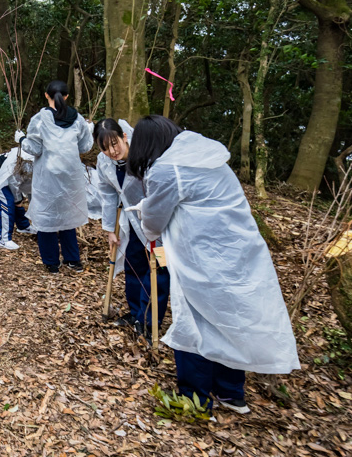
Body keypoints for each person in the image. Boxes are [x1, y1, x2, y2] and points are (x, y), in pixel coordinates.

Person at [127, 115, 299, 414]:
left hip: (202, 257)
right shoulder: (208, 156)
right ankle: (231, 393)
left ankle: (195, 398)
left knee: (194, 321)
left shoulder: (167, 169)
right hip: (240, 252)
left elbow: (154, 221)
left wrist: (144, 212)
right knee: (229, 321)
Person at [93, 119, 170, 338]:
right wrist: (109, 229)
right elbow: (108, 195)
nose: (112, 151)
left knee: (160, 270)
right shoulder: (104, 162)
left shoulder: (145, 154)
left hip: (160, 225)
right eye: (105, 147)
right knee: (133, 265)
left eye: (115, 143)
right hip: (134, 224)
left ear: (124, 136)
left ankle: (149, 321)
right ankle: (135, 312)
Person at [15, 80, 93, 273]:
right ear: (67, 96)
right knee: (67, 215)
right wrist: (89, 131)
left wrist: (22, 139)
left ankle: (51, 263)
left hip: (47, 177)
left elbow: (35, 148)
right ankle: (73, 261)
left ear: (46, 95)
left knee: (46, 216)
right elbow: (84, 147)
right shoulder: (78, 119)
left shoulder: (39, 119)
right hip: (71, 177)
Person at [0, 147, 35, 250]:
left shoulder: (34, 158)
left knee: (16, 200)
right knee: (7, 203)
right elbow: (14, 182)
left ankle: (23, 226)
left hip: (8, 175)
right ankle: (4, 239)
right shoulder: (23, 162)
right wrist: (17, 200)